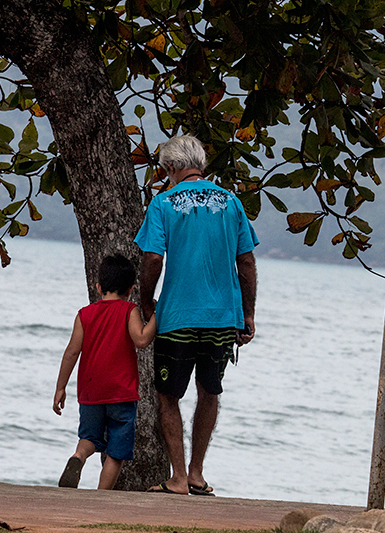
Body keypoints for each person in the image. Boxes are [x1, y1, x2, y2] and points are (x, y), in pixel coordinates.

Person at [135, 134, 258, 496]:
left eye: (164, 171)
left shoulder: (163, 203)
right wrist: (247, 314)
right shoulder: (232, 203)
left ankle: (177, 478)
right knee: (210, 392)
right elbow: (246, 261)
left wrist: (146, 301)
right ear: (200, 165)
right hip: (222, 317)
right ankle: (197, 474)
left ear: (171, 168)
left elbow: (153, 258)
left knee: (168, 395)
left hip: (178, 315)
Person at [52, 254, 157, 490]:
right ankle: (101, 496)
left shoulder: (84, 315)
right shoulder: (129, 311)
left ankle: (78, 457)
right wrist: (156, 317)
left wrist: (60, 387)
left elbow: (71, 352)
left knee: (89, 438)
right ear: (131, 289)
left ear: (99, 287)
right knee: (117, 451)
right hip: (121, 392)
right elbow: (141, 340)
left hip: (91, 391)